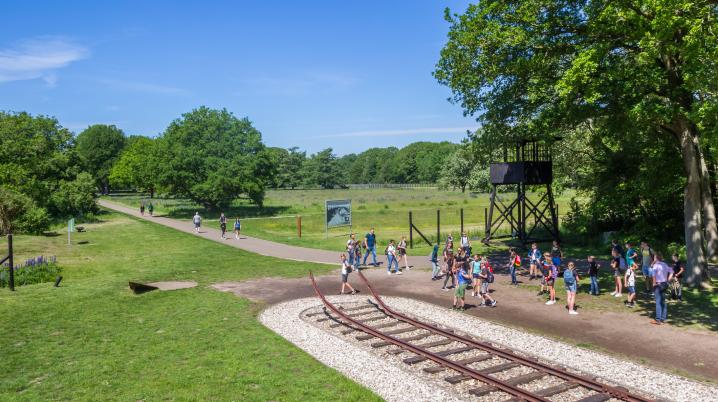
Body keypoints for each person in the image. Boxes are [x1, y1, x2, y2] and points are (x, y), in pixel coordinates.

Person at [650, 252, 674, 325]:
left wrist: (654, 283)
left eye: (654, 257)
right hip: (664, 284)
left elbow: (653, 275)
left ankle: (658, 319)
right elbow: (672, 271)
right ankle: (663, 319)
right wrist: (668, 280)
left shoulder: (656, 266)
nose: (653, 258)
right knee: (663, 302)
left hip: (658, 284)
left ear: (656, 258)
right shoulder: (664, 264)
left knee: (658, 302)